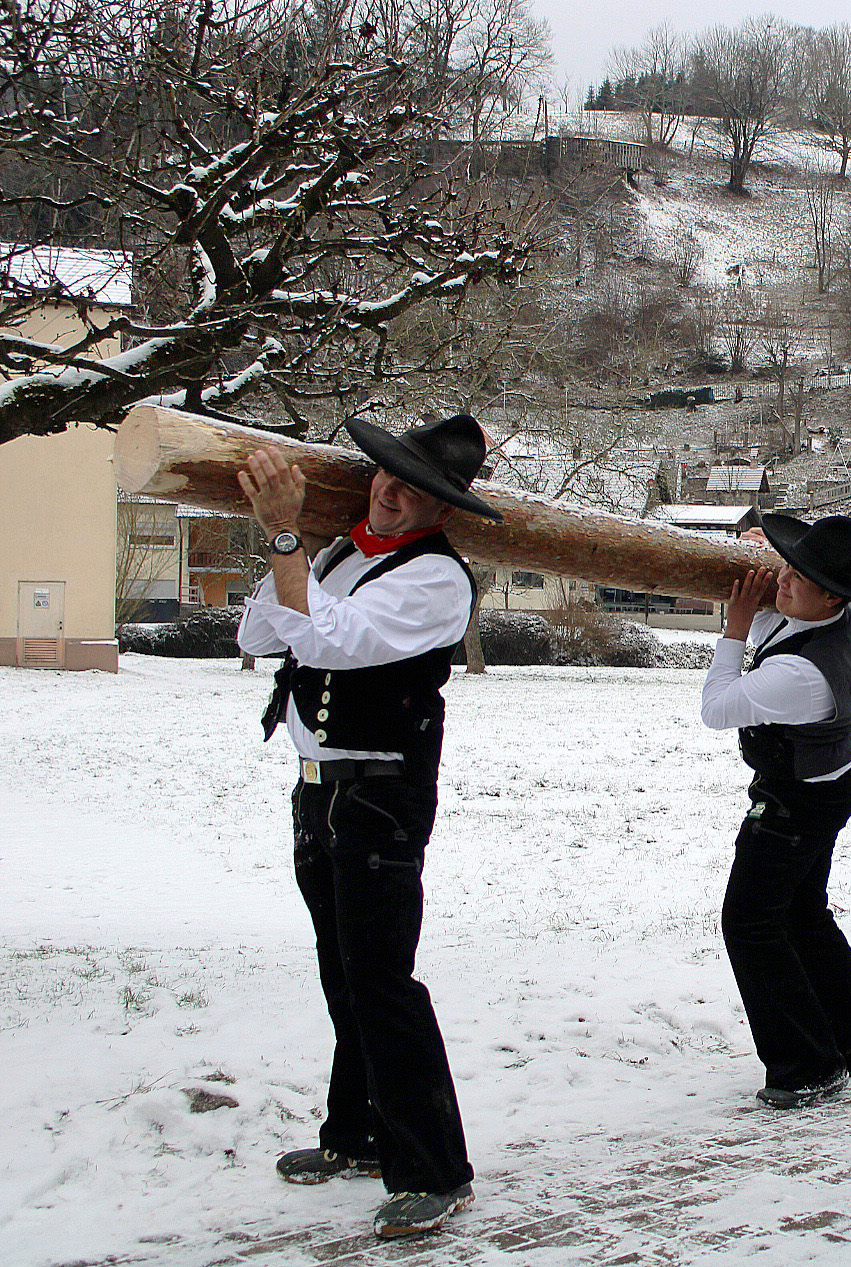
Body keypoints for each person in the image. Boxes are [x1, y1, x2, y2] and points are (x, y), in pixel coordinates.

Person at [235, 414, 498, 1239]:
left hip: (382, 794)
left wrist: (286, 547)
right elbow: (256, 630)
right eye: (387, 473)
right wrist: (296, 552)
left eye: (413, 486)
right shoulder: (340, 552)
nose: (390, 490)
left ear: (443, 509)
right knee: (343, 973)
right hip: (320, 791)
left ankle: (435, 1168)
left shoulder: (439, 581)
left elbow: (332, 640)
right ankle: (355, 1134)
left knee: (383, 979)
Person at [703, 514, 851, 1108]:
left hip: (794, 801)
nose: (784, 580)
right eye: (788, 565)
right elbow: (787, 624)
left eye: (799, 576)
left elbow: (718, 708)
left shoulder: (800, 674)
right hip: (828, 784)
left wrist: (734, 628)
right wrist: (766, 603)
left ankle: (806, 1066)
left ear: (833, 594)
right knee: (805, 915)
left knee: (751, 922)